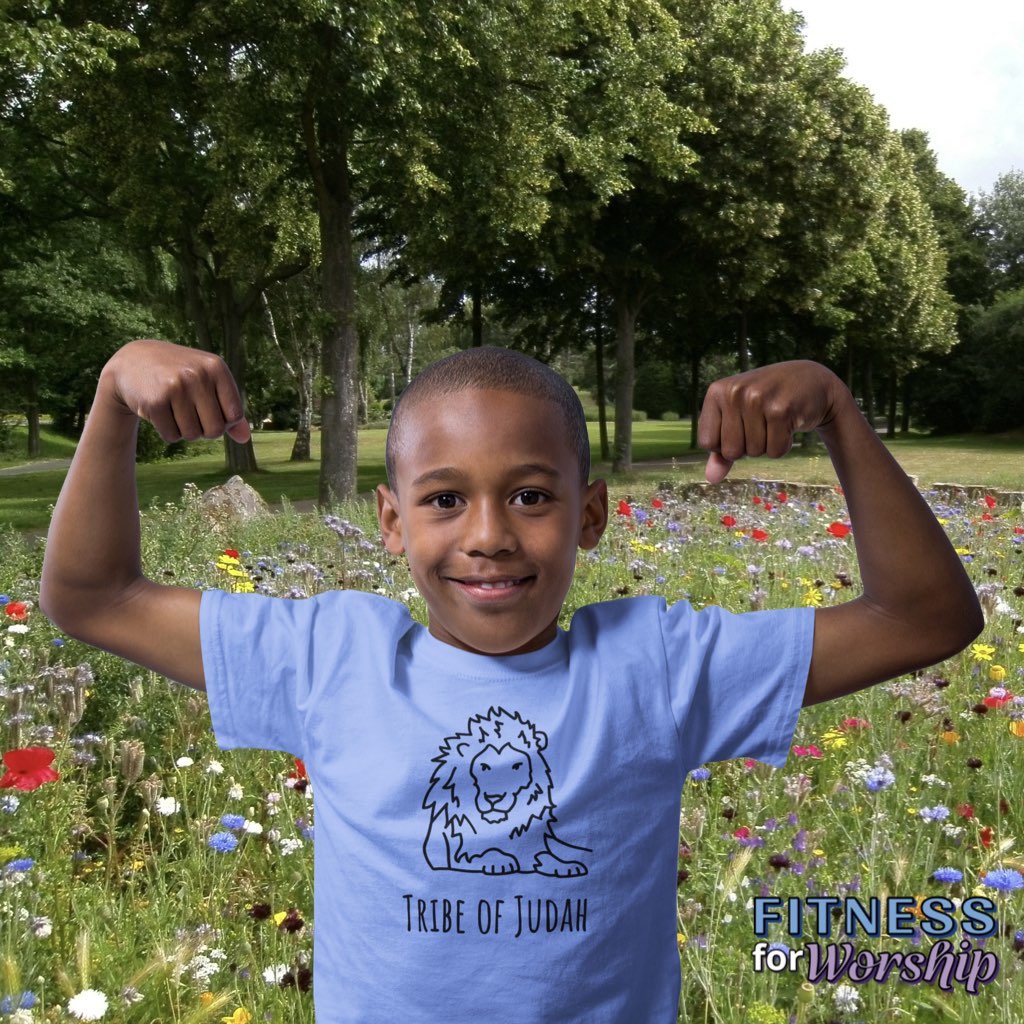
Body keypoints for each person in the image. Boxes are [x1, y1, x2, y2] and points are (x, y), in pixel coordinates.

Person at [40, 339, 982, 1024]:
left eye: (530, 496)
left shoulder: (653, 668)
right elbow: (93, 595)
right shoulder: (329, 657)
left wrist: (840, 415)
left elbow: (926, 618)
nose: (488, 533)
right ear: (391, 521)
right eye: (444, 499)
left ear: (591, 515)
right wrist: (115, 392)